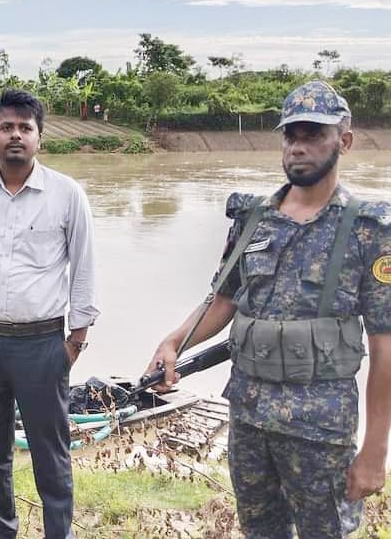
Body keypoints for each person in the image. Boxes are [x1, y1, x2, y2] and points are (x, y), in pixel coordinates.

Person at [145, 80, 390, 537]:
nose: (299, 146)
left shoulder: (369, 231)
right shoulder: (254, 219)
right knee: (260, 531)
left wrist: (375, 449)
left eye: (314, 134)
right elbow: (223, 299)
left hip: (320, 429)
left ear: (345, 140)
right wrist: (174, 341)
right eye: (291, 135)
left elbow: (386, 347)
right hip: (249, 419)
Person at [0, 89, 98, 539]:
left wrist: (76, 339)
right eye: (6, 127)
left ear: (39, 138)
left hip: (42, 344)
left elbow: (84, 268)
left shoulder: (67, 195)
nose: (15, 135)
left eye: (25, 128)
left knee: (51, 453)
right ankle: (3, 533)